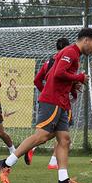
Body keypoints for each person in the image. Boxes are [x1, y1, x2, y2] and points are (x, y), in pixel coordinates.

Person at [0, 27, 92, 183]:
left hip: (61, 102)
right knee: (41, 136)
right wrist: (78, 78)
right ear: (85, 40)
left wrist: (73, 86)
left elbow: (55, 75)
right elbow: (58, 73)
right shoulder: (70, 52)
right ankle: (6, 164)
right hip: (53, 101)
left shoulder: (73, 54)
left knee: (64, 140)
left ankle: (63, 181)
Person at [35, 38, 71, 169]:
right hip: (59, 100)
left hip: (50, 99)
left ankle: (56, 166)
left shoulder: (48, 62)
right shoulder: (64, 60)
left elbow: (37, 80)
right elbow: (61, 75)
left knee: (62, 134)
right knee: (56, 133)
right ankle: (8, 161)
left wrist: (44, 91)